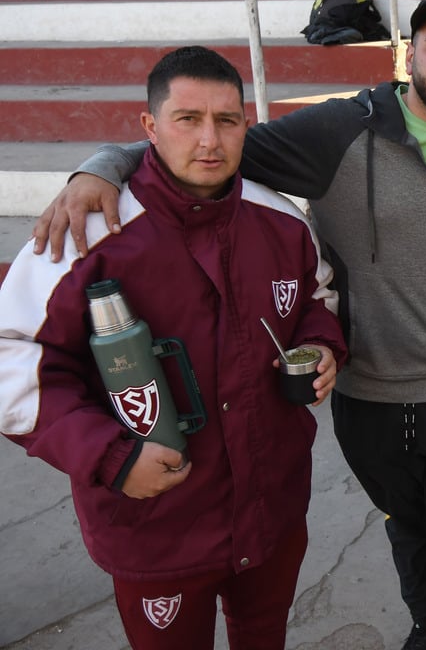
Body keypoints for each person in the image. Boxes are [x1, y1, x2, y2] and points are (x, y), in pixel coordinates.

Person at [30, 0, 426, 650]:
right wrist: (100, 165)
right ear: (408, 52)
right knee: (403, 524)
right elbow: (205, 145)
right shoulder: (338, 131)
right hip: (371, 397)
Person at [0, 46, 346, 649]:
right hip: (155, 525)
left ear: (246, 125)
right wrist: (111, 458)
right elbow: (11, 357)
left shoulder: (282, 220)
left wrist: (320, 347)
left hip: (272, 512)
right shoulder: (83, 232)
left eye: (227, 120)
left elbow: (316, 301)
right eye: (188, 119)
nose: (209, 139)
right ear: (149, 127)